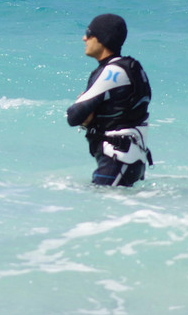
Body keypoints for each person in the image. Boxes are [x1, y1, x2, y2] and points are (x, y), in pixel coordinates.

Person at [65, 14, 152, 187]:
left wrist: (85, 109)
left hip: (116, 162)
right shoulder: (132, 68)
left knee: (94, 212)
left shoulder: (113, 71)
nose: (84, 38)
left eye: (88, 33)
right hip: (131, 160)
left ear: (102, 38)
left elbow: (73, 116)